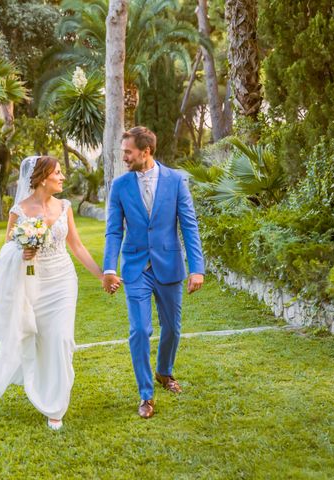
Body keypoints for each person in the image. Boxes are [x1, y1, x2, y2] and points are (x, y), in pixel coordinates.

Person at [0, 155, 112, 430]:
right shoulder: (19, 211)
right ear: (42, 177)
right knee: (40, 340)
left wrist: (101, 276)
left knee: (61, 339)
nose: (62, 177)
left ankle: (55, 406)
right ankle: (42, 387)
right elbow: (6, 249)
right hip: (33, 282)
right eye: (57, 173)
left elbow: (78, 246)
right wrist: (22, 250)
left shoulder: (65, 207)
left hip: (62, 280)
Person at [102, 126, 205, 419]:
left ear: (146, 151)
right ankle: (146, 395)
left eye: (128, 152)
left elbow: (189, 225)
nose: (124, 157)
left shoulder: (175, 181)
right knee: (139, 331)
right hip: (135, 268)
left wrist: (196, 268)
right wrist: (110, 268)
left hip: (169, 266)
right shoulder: (120, 186)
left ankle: (164, 372)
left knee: (172, 328)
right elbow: (113, 231)